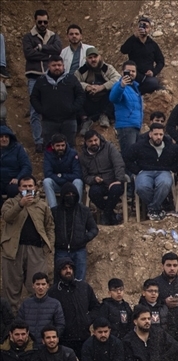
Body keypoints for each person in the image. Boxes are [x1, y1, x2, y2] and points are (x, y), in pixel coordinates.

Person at [1, 176, 54, 302]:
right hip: (14, 251)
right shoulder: (10, 203)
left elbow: (50, 226)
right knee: (11, 287)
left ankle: (34, 318)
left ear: (35, 187)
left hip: (36, 251)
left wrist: (49, 245)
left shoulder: (42, 205)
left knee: (36, 286)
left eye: (30, 186)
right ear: (19, 188)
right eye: (24, 186)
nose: (28, 188)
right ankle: (11, 319)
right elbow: (7, 217)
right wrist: (21, 204)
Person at [22, 10, 63, 152]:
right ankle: (38, 140)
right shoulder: (28, 37)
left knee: (52, 107)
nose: (43, 24)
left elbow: (57, 50)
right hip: (34, 76)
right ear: (35, 21)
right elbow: (28, 54)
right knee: (35, 109)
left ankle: (51, 139)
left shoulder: (53, 36)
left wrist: (40, 48)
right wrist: (47, 54)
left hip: (50, 77)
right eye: (40, 22)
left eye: (45, 22)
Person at [124, 124, 178, 222]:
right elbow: (127, 159)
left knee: (164, 184)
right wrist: (137, 170)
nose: (158, 137)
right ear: (150, 134)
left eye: (161, 134)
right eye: (156, 134)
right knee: (141, 187)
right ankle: (158, 208)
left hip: (164, 171)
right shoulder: (140, 146)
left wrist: (172, 169)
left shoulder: (171, 147)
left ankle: (153, 208)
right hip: (145, 171)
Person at [48, 257, 99, 360]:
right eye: (64, 268)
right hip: (64, 339)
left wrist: (87, 319)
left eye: (70, 268)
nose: (68, 271)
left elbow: (96, 307)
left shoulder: (84, 287)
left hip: (83, 337)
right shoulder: (53, 292)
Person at [51, 182, 96, 281]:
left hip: (79, 250)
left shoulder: (84, 211)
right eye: (67, 194)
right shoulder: (55, 212)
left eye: (73, 194)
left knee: (79, 281)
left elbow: (94, 229)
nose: (71, 196)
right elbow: (49, 228)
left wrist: (84, 238)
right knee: (60, 280)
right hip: (61, 250)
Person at [81, 129, 126, 225]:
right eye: (90, 141)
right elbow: (84, 176)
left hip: (113, 180)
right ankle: (110, 214)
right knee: (93, 193)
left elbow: (119, 164)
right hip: (98, 183)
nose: (94, 143)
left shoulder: (109, 147)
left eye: (95, 140)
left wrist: (118, 179)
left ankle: (106, 215)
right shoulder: (83, 156)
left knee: (116, 190)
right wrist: (93, 179)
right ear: (86, 143)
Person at [76, 47, 118, 129]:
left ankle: (105, 115)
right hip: (89, 99)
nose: (93, 59)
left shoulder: (107, 68)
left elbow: (117, 78)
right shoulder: (82, 70)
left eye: (95, 57)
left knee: (115, 90)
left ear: (100, 57)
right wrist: (87, 87)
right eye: (90, 58)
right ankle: (84, 119)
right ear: (86, 59)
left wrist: (102, 87)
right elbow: (74, 82)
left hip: (105, 99)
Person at [120, 17, 164, 93]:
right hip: (133, 75)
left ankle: (137, 92)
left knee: (154, 83)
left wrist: (153, 72)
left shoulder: (153, 45)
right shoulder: (132, 41)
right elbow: (123, 50)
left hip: (146, 77)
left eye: (146, 27)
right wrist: (134, 36)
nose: (144, 29)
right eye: (141, 26)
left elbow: (161, 61)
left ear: (150, 29)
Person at [41, 133, 84, 210]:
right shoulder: (48, 154)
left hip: (70, 185)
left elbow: (77, 174)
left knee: (78, 181)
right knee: (47, 181)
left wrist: (61, 176)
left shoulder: (73, 154)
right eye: (58, 146)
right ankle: (54, 210)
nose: (61, 148)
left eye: (62, 145)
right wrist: (62, 179)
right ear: (53, 146)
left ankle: (77, 209)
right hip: (57, 184)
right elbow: (48, 173)